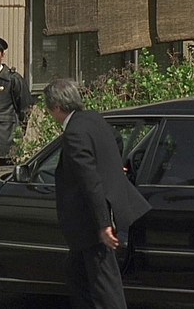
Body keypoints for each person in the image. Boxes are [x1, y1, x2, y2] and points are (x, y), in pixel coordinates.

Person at [44, 78, 151, 309]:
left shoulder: (74, 133)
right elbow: (117, 139)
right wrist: (114, 166)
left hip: (89, 222)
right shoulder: (94, 118)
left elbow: (90, 181)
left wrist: (103, 225)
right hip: (91, 222)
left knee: (105, 284)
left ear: (57, 107)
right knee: (76, 273)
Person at [0, 35, 32, 166]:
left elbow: (25, 108)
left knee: (7, 171)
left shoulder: (12, 78)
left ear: (2, 55)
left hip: (7, 135)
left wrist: (19, 134)